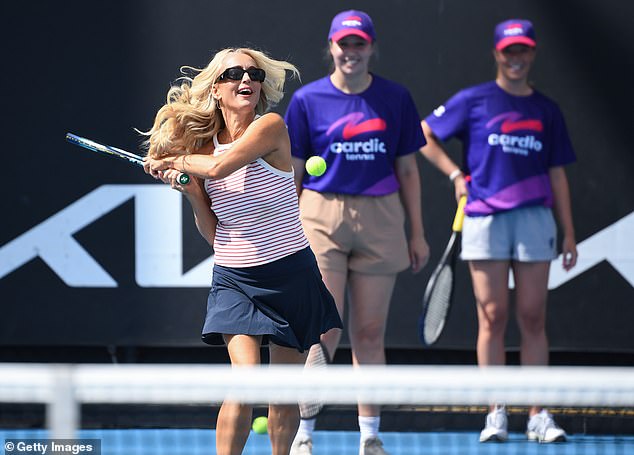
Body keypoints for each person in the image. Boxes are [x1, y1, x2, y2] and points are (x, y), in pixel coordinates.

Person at [142, 47, 343, 455]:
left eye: (253, 73)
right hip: (236, 278)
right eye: (234, 73)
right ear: (216, 89)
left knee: (281, 391)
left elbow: (219, 168)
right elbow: (215, 234)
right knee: (244, 381)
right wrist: (193, 196)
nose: (246, 80)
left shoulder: (270, 126)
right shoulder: (202, 148)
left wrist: (174, 159)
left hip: (291, 275)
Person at [419, 19, 578, 444]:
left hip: (534, 220)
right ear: (497, 54)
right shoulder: (474, 101)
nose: (516, 59)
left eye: (523, 51)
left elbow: (558, 175)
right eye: (509, 52)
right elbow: (424, 133)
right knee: (492, 316)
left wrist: (569, 232)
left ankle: (539, 414)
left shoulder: (546, 110)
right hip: (485, 218)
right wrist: (456, 175)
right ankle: (496, 414)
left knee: (532, 316)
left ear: (532, 54)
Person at [284, 10, 430, 455]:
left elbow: (407, 168)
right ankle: (302, 434)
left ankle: (370, 435)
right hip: (320, 215)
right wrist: (289, 228)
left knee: (369, 332)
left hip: (382, 216)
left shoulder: (396, 98)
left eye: (359, 44)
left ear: (371, 48)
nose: (351, 52)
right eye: (343, 44)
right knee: (322, 329)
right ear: (331, 47)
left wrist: (418, 233)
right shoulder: (307, 100)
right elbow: (292, 171)